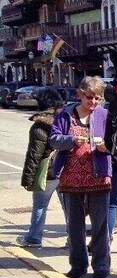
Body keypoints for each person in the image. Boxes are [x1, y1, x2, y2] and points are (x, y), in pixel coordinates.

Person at [50, 76, 112, 278]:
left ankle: (101, 265)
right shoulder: (66, 114)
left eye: (97, 98)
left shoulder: (104, 115)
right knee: (74, 226)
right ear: (80, 95)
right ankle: (78, 264)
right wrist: (71, 140)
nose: (93, 102)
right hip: (70, 178)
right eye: (89, 97)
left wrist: (106, 147)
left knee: (100, 225)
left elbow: (115, 141)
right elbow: (53, 139)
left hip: (98, 176)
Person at [15, 90, 67, 248]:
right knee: (69, 208)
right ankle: (73, 240)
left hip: (48, 173)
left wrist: (27, 179)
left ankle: (34, 238)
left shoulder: (39, 127)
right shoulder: (65, 122)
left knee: (40, 205)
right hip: (65, 170)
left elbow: (34, 156)